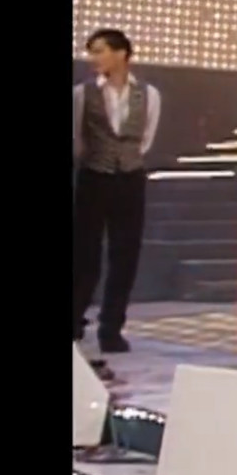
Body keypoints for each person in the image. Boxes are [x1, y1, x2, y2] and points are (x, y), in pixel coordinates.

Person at [73, 29, 163, 353]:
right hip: (93, 178)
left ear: (121, 53)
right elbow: (78, 138)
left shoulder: (148, 94)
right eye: (92, 52)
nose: (94, 58)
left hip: (130, 179)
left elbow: (145, 138)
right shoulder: (82, 94)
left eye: (100, 51)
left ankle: (111, 329)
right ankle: (75, 318)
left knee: (125, 255)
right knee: (84, 254)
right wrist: (98, 160)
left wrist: (125, 160)